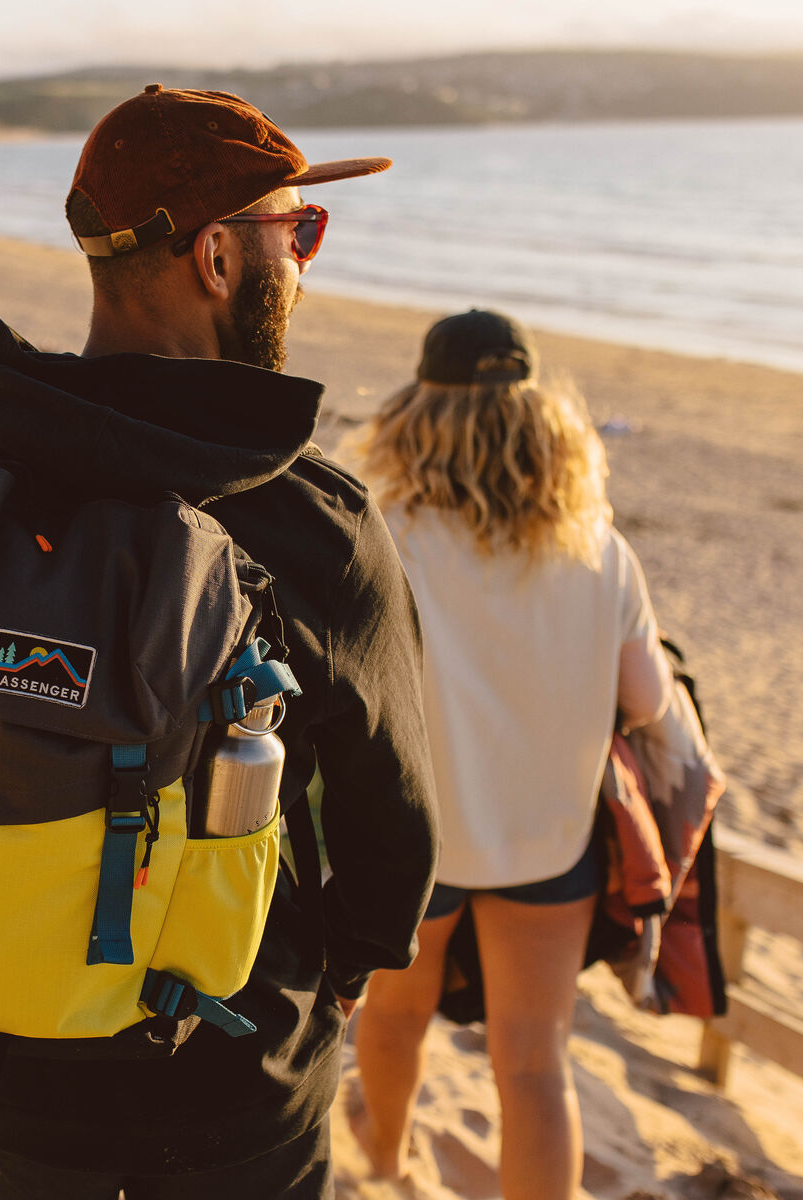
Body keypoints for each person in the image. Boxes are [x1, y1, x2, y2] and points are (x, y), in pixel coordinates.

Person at [0, 84, 439, 1199]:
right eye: (298, 230)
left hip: (4, 1057)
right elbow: (396, 831)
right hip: (237, 1074)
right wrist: (323, 984)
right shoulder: (315, 523)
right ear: (216, 258)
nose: (306, 256)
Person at [348, 310, 674, 1199]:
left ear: (417, 414)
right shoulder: (600, 550)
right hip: (548, 840)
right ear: (544, 424)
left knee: (398, 1011)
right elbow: (649, 704)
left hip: (422, 843)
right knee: (534, 1064)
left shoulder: (386, 540)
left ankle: (383, 1158)